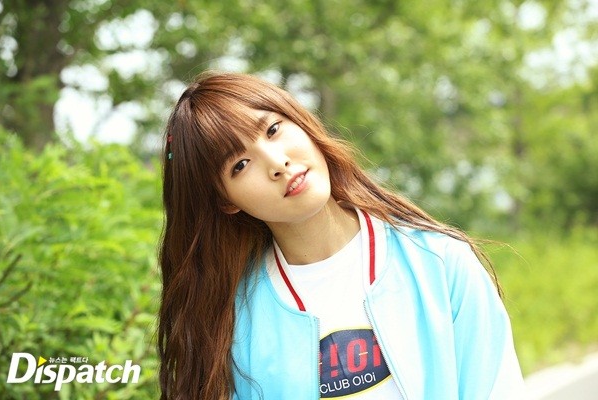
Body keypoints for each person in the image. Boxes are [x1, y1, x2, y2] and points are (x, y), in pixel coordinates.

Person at [157, 71, 524, 400]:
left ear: (301, 121)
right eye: (240, 164)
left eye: (273, 130)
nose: (277, 163)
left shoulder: (439, 262)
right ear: (225, 201)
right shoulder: (235, 323)